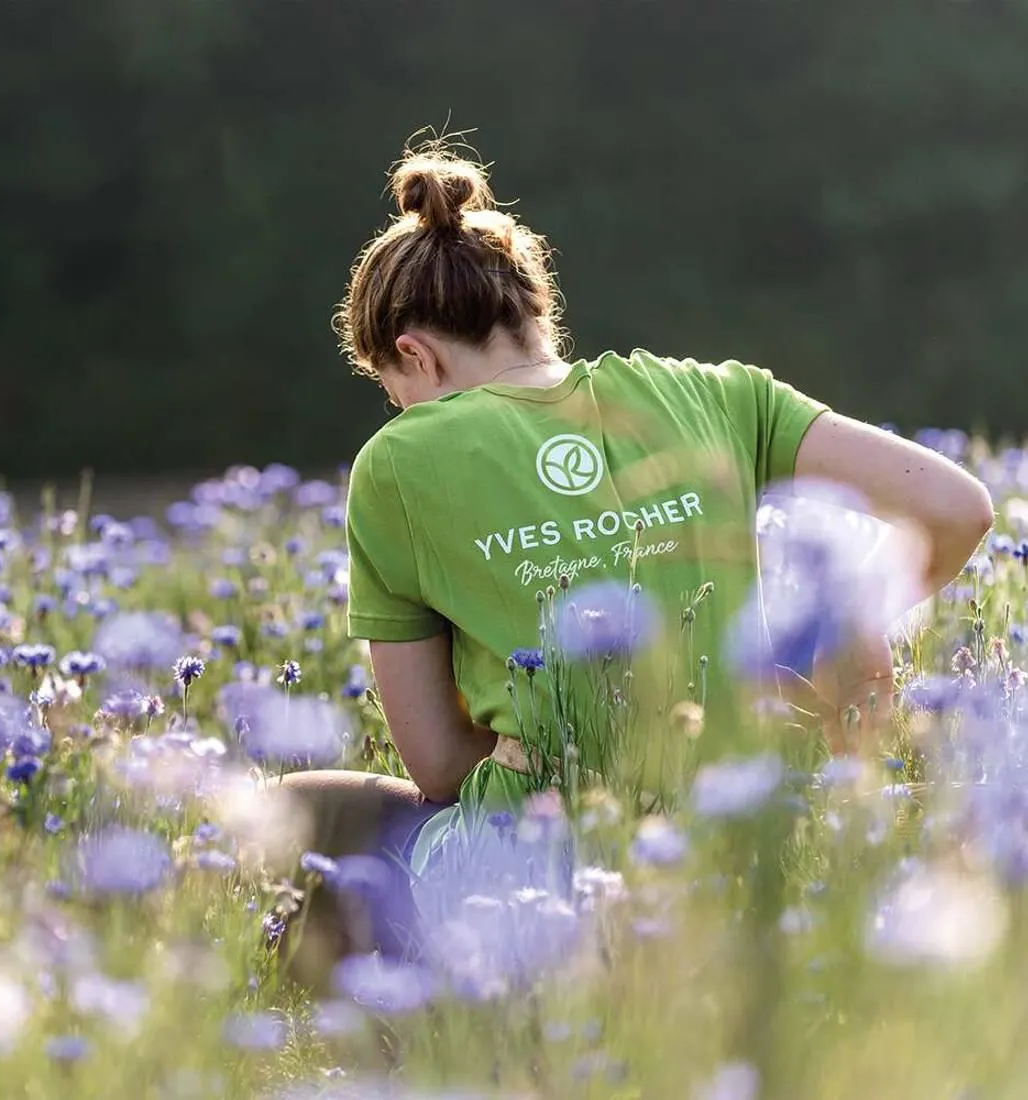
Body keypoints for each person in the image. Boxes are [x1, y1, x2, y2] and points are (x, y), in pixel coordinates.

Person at [272, 137, 994, 991]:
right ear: (535, 312)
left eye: (395, 390)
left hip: (542, 885)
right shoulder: (718, 393)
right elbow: (958, 509)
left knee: (298, 813)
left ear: (415, 356)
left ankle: (388, 1046)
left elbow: (435, 766)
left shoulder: (397, 462)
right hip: (756, 848)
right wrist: (824, 640)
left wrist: (583, 767)